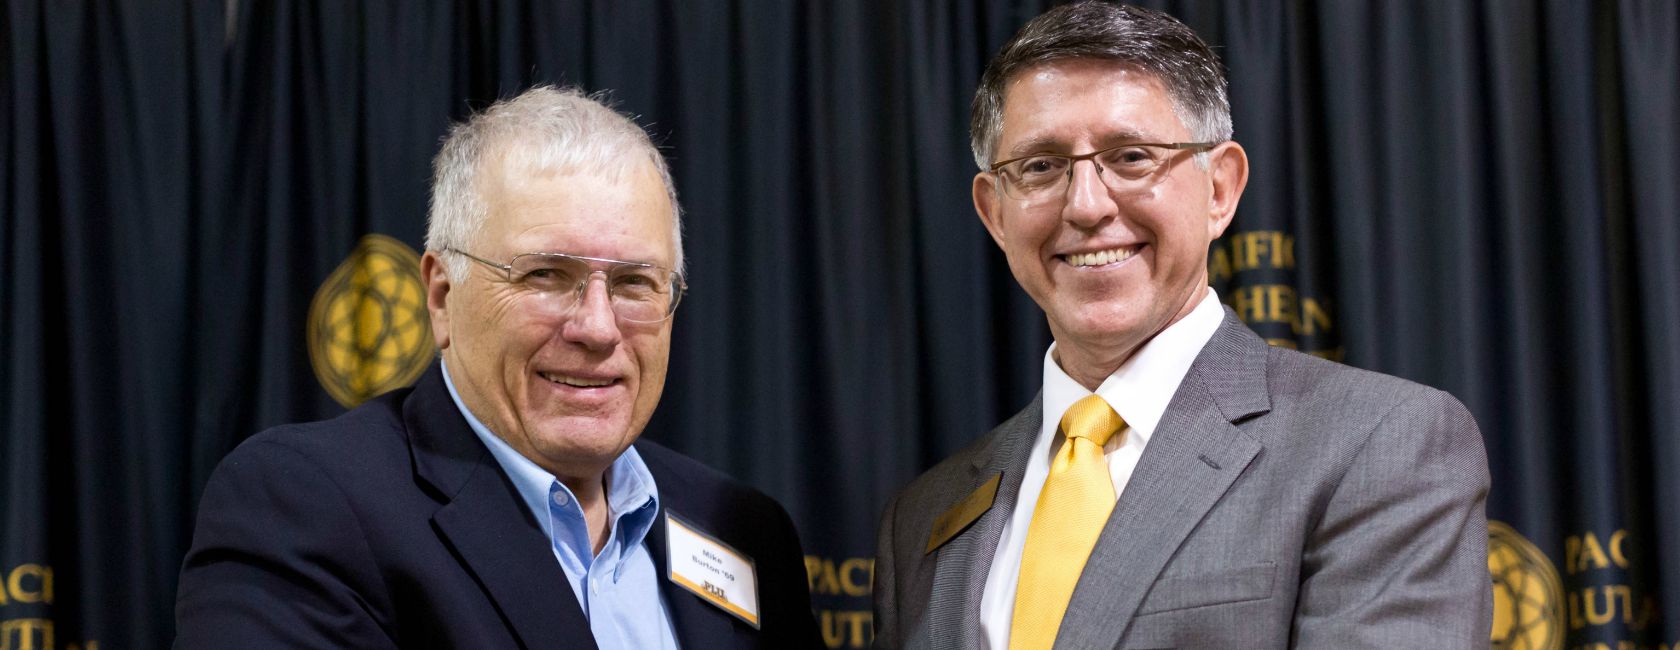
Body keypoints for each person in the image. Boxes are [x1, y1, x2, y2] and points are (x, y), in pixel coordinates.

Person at [872, 3, 1491, 648]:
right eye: (1040, 166)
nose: (1086, 205)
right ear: (994, 213)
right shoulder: (922, 517)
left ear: (1220, 189)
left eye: (1133, 156)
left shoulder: (1379, 445)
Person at [177, 86, 821, 649]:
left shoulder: (745, 530)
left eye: (633, 283)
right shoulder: (305, 505)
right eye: (545, 274)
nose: (597, 328)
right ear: (441, 296)